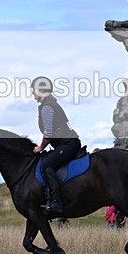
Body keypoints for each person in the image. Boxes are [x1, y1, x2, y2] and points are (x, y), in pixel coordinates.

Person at [32, 76, 81, 215]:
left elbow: (48, 133)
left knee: (46, 165)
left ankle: (56, 203)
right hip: (66, 143)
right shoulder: (49, 104)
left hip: (68, 144)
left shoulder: (47, 107)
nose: (32, 94)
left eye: (34, 90)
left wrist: (40, 147)